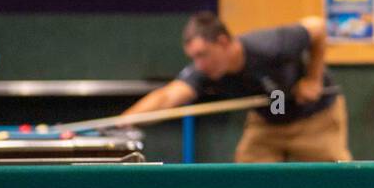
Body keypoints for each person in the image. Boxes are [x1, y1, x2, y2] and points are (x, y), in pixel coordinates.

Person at [123, 12, 351, 162]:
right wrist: (126, 120)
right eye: (194, 58)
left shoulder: (270, 44)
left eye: (203, 54)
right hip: (267, 124)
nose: (199, 64)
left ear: (223, 42)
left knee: (335, 182)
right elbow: (168, 96)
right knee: (247, 182)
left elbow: (318, 27)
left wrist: (313, 79)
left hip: (315, 120)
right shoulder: (205, 71)